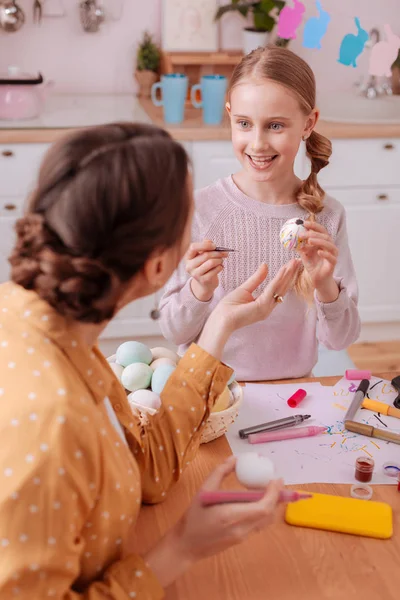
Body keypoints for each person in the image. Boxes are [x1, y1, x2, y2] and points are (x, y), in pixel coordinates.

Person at [0, 122, 299, 598]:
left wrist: (218, 324)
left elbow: (142, 469)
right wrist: (179, 548)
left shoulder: (45, 324)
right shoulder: (51, 420)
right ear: (160, 267)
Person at [159, 45, 361, 381]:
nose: (257, 144)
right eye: (244, 123)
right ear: (229, 116)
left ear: (308, 123)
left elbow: (340, 339)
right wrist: (200, 290)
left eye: (275, 126)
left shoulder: (326, 217)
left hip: (295, 394)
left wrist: (326, 287)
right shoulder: (199, 211)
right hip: (212, 396)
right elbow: (173, 331)